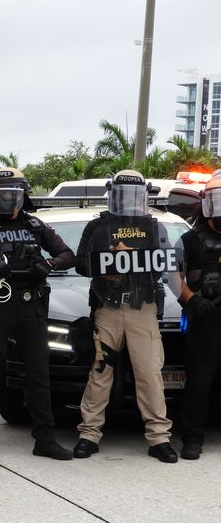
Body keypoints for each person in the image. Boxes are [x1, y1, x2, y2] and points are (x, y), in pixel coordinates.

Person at [0, 168, 75, 464]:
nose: (3, 200)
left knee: (39, 373)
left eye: (9, 194)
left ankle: (44, 439)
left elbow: (67, 255)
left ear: (21, 196)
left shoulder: (35, 225)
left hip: (31, 304)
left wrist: (47, 264)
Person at [72, 170, 177, 463]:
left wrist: (130, 256)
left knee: (150, 374)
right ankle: (89, 434)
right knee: (101, 370)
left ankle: (159, 438)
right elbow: (81, 264)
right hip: (108, 306)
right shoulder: (97, 227)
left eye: (135, 195)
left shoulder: (155, 227)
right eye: (123, 194)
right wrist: (107, 263)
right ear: (113, 194)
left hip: (142, 308)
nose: (129, 200)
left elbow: (165, 267)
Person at [177, 172, 221, 460]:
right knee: (199, 381)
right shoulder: (190, 240)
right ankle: (192, 438)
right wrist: (192, 299)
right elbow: (171, 275)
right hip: (206, 319)